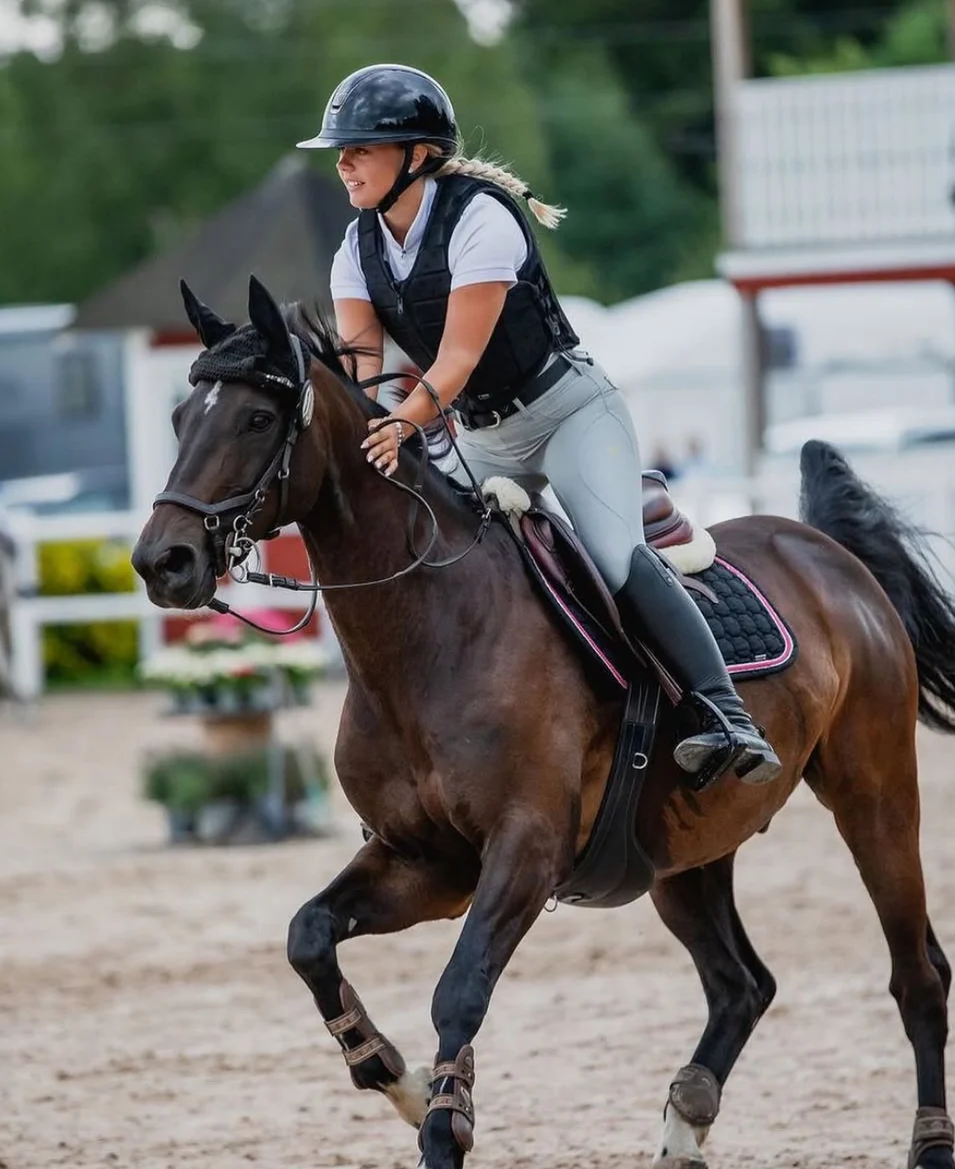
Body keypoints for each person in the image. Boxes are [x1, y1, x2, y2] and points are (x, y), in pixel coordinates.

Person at [297, 64, 780, 784]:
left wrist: (405, 423)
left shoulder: (482, 219)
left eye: (359, 147)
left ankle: (727, 718)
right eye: (341, 149)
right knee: (437, 557)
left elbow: (460, 356)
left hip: (569, 416)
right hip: (483, 436)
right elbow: (366, 364)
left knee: (615, 559)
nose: (343, 162)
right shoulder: (354, 249)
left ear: (417, 156)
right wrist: (380, 422)